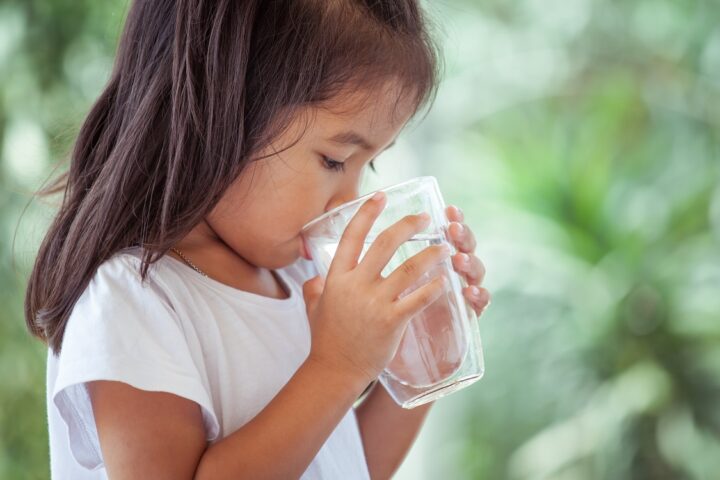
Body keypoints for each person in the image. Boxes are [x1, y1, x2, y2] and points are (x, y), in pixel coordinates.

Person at [24, 1, 491, 478]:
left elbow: (347, 465)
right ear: (217, 110)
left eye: (367, 165)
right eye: (334, 160)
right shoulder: (135, 299)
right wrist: (337, 368)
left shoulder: (299, 276)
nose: (348, 202)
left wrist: (429, 361)